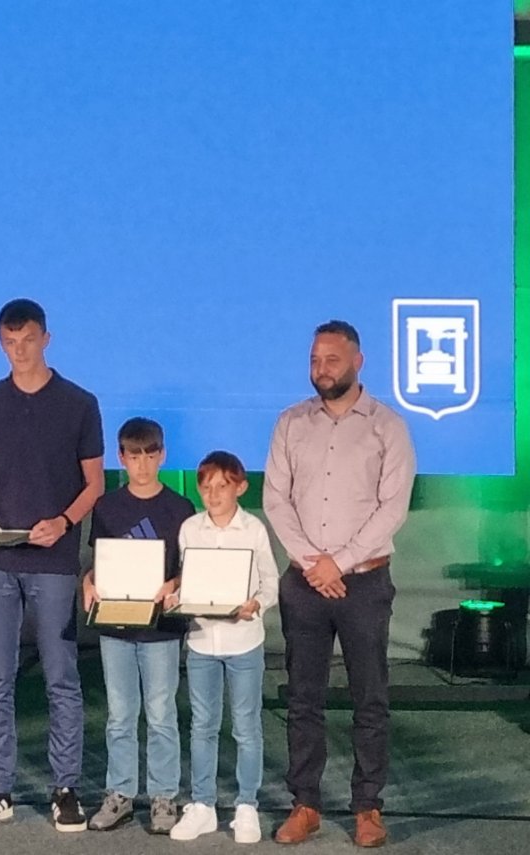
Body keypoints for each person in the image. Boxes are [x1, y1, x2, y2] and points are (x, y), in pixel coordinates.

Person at [263, 320, 415, 848]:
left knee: (369, 698)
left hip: (365, 583)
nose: (321, 369)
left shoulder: (388, 426)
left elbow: (392, 507)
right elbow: (275, 499)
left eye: (331, 359)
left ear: (357, 362)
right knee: (303, 700)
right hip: (305, 583)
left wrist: (341, 563)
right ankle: (305, 803)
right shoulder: (290, 423)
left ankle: (367, 806)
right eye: (314, 360)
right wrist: (313, 563)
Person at [0, 298, 105, 833]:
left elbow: (94, 483)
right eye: (9, 342)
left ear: (46, 338)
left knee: (61, 677)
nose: (19, 350)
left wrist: (63, 522)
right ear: (0, 343)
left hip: (54, 559)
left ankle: (65, 788)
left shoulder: (79, 403)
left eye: (27, 340)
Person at [81, 418, 191, 835]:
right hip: (116, 626)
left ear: (162, 455)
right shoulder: (107, 507)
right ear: (121, 458)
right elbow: (100, 563)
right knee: (120, 714)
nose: (142, 464)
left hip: (161, 628)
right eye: (133, 456)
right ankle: (120, 793)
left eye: (150, 455)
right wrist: (89, 582)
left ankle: (163, 795)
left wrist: (174, 584)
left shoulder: (180, 508)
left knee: (161, 713)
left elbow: (188, 568)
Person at [169, 451, 279, 844]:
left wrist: (256, 604)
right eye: (206, 487)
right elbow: (188, 578)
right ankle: (203, 805)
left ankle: (247, 805)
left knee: (246, 726)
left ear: (240, 487)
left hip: (243, 640)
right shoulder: (190, 529)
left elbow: (270, 581)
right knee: (203, 724)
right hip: (202, 640)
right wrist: (177, 597)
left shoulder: (253, 529)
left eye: (222, 486)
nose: (213, 494)